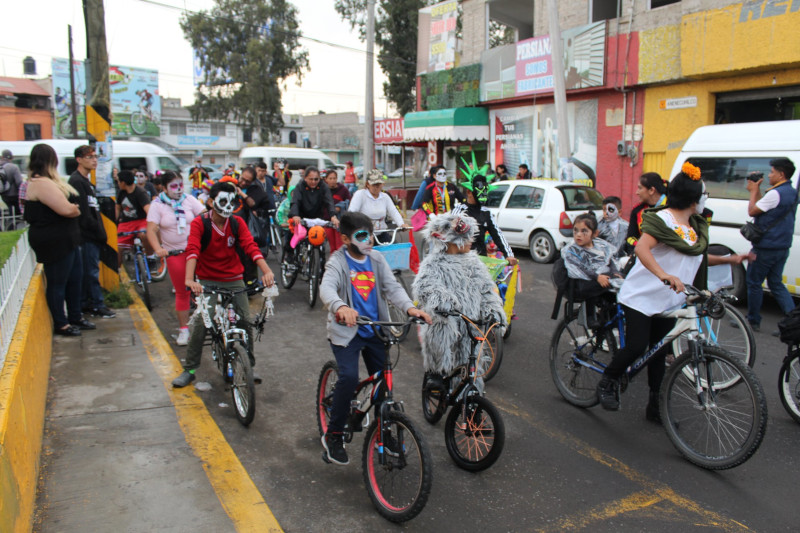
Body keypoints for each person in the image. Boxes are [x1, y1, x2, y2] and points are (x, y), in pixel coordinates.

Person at [596, 162, 709, 423]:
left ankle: (655, 407)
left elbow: (694, 259)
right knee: (637, 346)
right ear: (693, 198)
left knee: (659, 354)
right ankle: (607, 381)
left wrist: (732, 260)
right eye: (703, 195)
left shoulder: (695, 225)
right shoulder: (662, 219)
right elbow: (642, 249)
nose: (705, 200)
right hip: (642, 295)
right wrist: (663, 275)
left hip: (669, 299)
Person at [319, 211, 431, 464]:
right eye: (361, 235)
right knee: (348, 377)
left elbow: (392, 288)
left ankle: (385, 431)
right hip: (347, 333)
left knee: (384, 384)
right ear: (346, 239)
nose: (368, 240)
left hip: (375, 330)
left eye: (370, 234)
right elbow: (326, 288)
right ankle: (334, 435)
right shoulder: (338, 261)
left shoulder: (377, 259)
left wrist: (410, 308)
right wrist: (340, 307)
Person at [171, 181, 275, 388]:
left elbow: (250, 247)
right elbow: (193, 251)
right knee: (203, 321)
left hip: (234, 279)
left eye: (231, 201)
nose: (228, 205)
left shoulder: (236, 223)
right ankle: (190, 369)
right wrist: (190, 280)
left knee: (245, 320)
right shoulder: (200, 223)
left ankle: (249, 366)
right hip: (207, 280)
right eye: (222, 201)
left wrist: (267, 271)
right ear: (210, 202)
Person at [413, 212, 506, 391]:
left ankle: (472, 401)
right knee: (440, 334)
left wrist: (493, 308)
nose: (472, 241)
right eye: (468, 237)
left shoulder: (474, 262)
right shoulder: (434, 262)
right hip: (447, 319)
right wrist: (441, 301)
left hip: (471, 322)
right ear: (455, 240)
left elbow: (486, 289)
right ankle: (437, 372)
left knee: (472, 364)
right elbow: (424, 286)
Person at [24, 144, 93, 336]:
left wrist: (73, 207)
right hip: (55, 241)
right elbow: (67, 209)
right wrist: (75, 208)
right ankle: (61, 323)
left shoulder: (50, 181)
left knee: (75, 279)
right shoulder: (41, 183)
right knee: (58, 282)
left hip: (68, 239)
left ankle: (75, 316)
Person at [146, 171, 205, 345]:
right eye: (173, 186)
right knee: (182, 292)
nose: (178, 189)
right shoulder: (157, 205)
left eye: (180, 185)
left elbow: (205, 215)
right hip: (175, 254)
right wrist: (158, 248)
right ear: (163, 188)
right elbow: (151, 229)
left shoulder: (189, 200)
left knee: (209, 287)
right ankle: (184, 330)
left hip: (196, 251)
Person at [745, 157, 798, 333]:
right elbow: (764, 206)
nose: (769, 175)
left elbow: (753, 210)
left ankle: (753, 320)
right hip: (782, 247)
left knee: (754, 283)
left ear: (781, 174)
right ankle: (793, 321)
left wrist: (753, 190)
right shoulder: (791, 191)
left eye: (772, 172)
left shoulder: (776, 193)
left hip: (765, 248)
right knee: (776, 283)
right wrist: (758, 189)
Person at [68, 145, 115, 319]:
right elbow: (84, 215)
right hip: (86, 236)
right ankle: (95, 304)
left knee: (90, 271)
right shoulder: (77, 182)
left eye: (95, 156)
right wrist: (98, 233)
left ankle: (89, 303)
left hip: (92, 236)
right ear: (79, 159)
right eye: (90, 157)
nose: (94, 160)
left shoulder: (86, 182)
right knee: (90, 273)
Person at [450, 162, 516, 265]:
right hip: (461, 262)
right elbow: (449, 236)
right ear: (469, 192)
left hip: (481, 262)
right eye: (479, 191)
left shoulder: (486, 212)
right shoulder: (459, 211)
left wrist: (509, 255)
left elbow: (497, 234)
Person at [285, 166, 339, 261]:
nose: (313, 182)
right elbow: (295, 201)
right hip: (301, 216)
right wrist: (295, 215)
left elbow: (329, 202)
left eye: (316, 179)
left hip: (317, 218)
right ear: (305, 178)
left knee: (321, 243)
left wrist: (333, 216)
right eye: (311, 179)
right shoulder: (300, 186)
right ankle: (289, 257)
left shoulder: (323, 186)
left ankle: (321, 265)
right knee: (293, 236)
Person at [237, 166, 276, 283]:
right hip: (231, 227)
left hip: (248, 230)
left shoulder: (256, 190)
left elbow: (253, 204)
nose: (243, 183)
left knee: (249, 257)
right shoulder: (232, 184)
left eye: (247, 181)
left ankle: (249, 283)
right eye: (242, 179)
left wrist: (242, 194)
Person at [348, 169, 406, 242]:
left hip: (381, 233)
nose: (377, 187)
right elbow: (351, 213)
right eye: (374, 185)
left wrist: (401, 224)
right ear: (368, 184)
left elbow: (393, 211)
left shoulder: (385, 197)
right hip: (364, 235)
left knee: (394, 249)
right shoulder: (360, 195)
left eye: (379, 184)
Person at [624, 172, 667, 255]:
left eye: (640, 188)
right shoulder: (637, 211)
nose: (637, 192)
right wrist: (642, 247)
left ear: (651, 190)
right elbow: (630, 238)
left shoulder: (671, 206)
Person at [116, 169, 152, 264]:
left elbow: (148, 209)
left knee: (144, 235)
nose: (118, 184)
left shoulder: (140, 192)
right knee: (117, 248)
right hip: (126, 223)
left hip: (141, 221)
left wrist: (152, 224)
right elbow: (118, 208)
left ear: (123, 183)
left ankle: (150, 257)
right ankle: (117, 270)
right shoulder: (121, 193)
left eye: (118, 181)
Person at [1, 149, 24, 226]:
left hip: (3, 194)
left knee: (10, 209)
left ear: (2, 156)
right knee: (17, 212)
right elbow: (19, 182)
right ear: (11, 157)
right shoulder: (14, 167)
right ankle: (14, 225)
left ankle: (9, 223)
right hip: (14, 195)